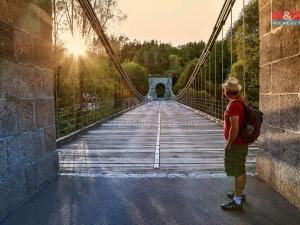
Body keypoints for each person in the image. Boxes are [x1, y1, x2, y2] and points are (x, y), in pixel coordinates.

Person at [221, 77, 248, 211]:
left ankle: (237, 201)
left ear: (227, 91)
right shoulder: (240, 101)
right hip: (242, 142)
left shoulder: (233, 105)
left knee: (238, 171)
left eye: (224, 88)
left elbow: (234, 127)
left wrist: (229, 143)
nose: (223, 90)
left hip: (236, 144)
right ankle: (239, 193)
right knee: (240, 169)